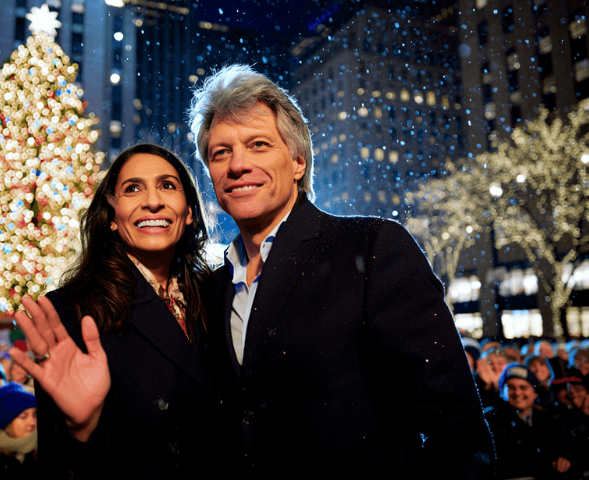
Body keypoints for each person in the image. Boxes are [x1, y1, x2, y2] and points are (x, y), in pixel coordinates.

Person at [184, 64, 494, 478]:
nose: (237, 164)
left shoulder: (372, 247)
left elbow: (456, 427)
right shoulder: (212, 287)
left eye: (258, 144)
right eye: (221, 152)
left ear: (297, 161)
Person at [10, 144, 233, 478]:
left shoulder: (220, 293)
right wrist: (82, 427)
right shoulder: (72, 310)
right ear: (112, 217)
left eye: (168, 185)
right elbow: (58, 466)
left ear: (188, 212)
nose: (153, 201)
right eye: (132, 189)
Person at [484, 364, 575, 479]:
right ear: (502, 392)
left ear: (535, 393)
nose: (517, 393)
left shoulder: (548, 419)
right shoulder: (492, 419)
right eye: (511, 388)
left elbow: (564, 446)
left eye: (523, 387)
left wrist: (565, 458)